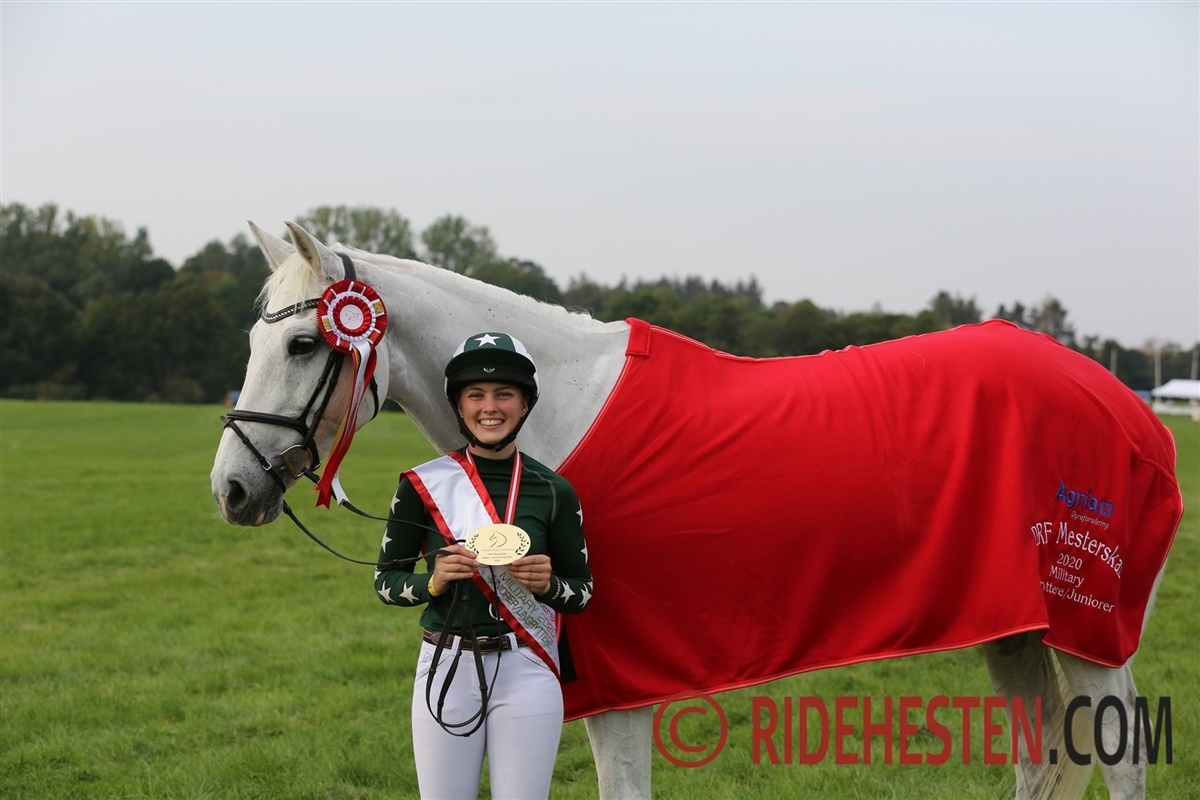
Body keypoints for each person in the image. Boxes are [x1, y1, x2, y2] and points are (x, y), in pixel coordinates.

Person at [374, 331, 593, 800]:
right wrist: (433, 582)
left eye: (504, 394)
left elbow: (582, 592)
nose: (489, 407)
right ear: (459, 405)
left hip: (527, 666)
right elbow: (385, 582)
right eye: (475, 394)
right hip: (446, 663)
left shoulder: (554, 490)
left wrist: (548, 585)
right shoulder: (421, 485)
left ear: (525, 404)